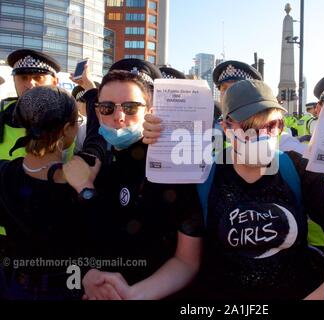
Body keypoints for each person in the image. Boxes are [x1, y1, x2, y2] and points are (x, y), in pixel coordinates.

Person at [143, 79, 324, 300]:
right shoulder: (204, 174)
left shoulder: (297, 170)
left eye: (271, 126)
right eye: (248, 127)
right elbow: (186, 261)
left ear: (281, 126)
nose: (261, 136)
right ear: (226, 128)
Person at [70, 62, 203, 300]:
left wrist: (132, 296)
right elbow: (81, 238)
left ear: (150, 111)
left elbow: (187, 260)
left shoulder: (174, 168)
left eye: (130, 107)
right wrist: (87, 274)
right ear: (97, 111)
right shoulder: (97, 166)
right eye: (107, 107)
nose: (119, 117)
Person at [0, 86, 96, 300]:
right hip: (64, 288)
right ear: (67, 129)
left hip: (12, 284)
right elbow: (93, 142)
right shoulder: (76, 184)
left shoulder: (4, 172)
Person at [0, 49, 61, 160]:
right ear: (14, 80)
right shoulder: (2, 112)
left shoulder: (69, 119)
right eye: (23, 78)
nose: (30, 84)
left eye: (38, 77)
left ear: (54, 82)